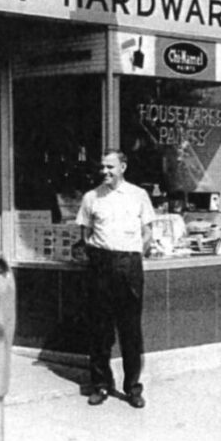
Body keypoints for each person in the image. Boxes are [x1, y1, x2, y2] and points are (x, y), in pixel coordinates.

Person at [76, 149, 154, 408]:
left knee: (130, 331)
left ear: (123, 167)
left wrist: (132, 256)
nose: (105, 172)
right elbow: (84, 234)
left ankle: (132, 388)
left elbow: (147, 232)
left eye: (110, 167)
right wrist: (98, 258)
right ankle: (100, 384)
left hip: (128, 266)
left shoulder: (138, 195)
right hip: (100, 264)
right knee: (99, 329)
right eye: (102, 168)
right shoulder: (91, 197)